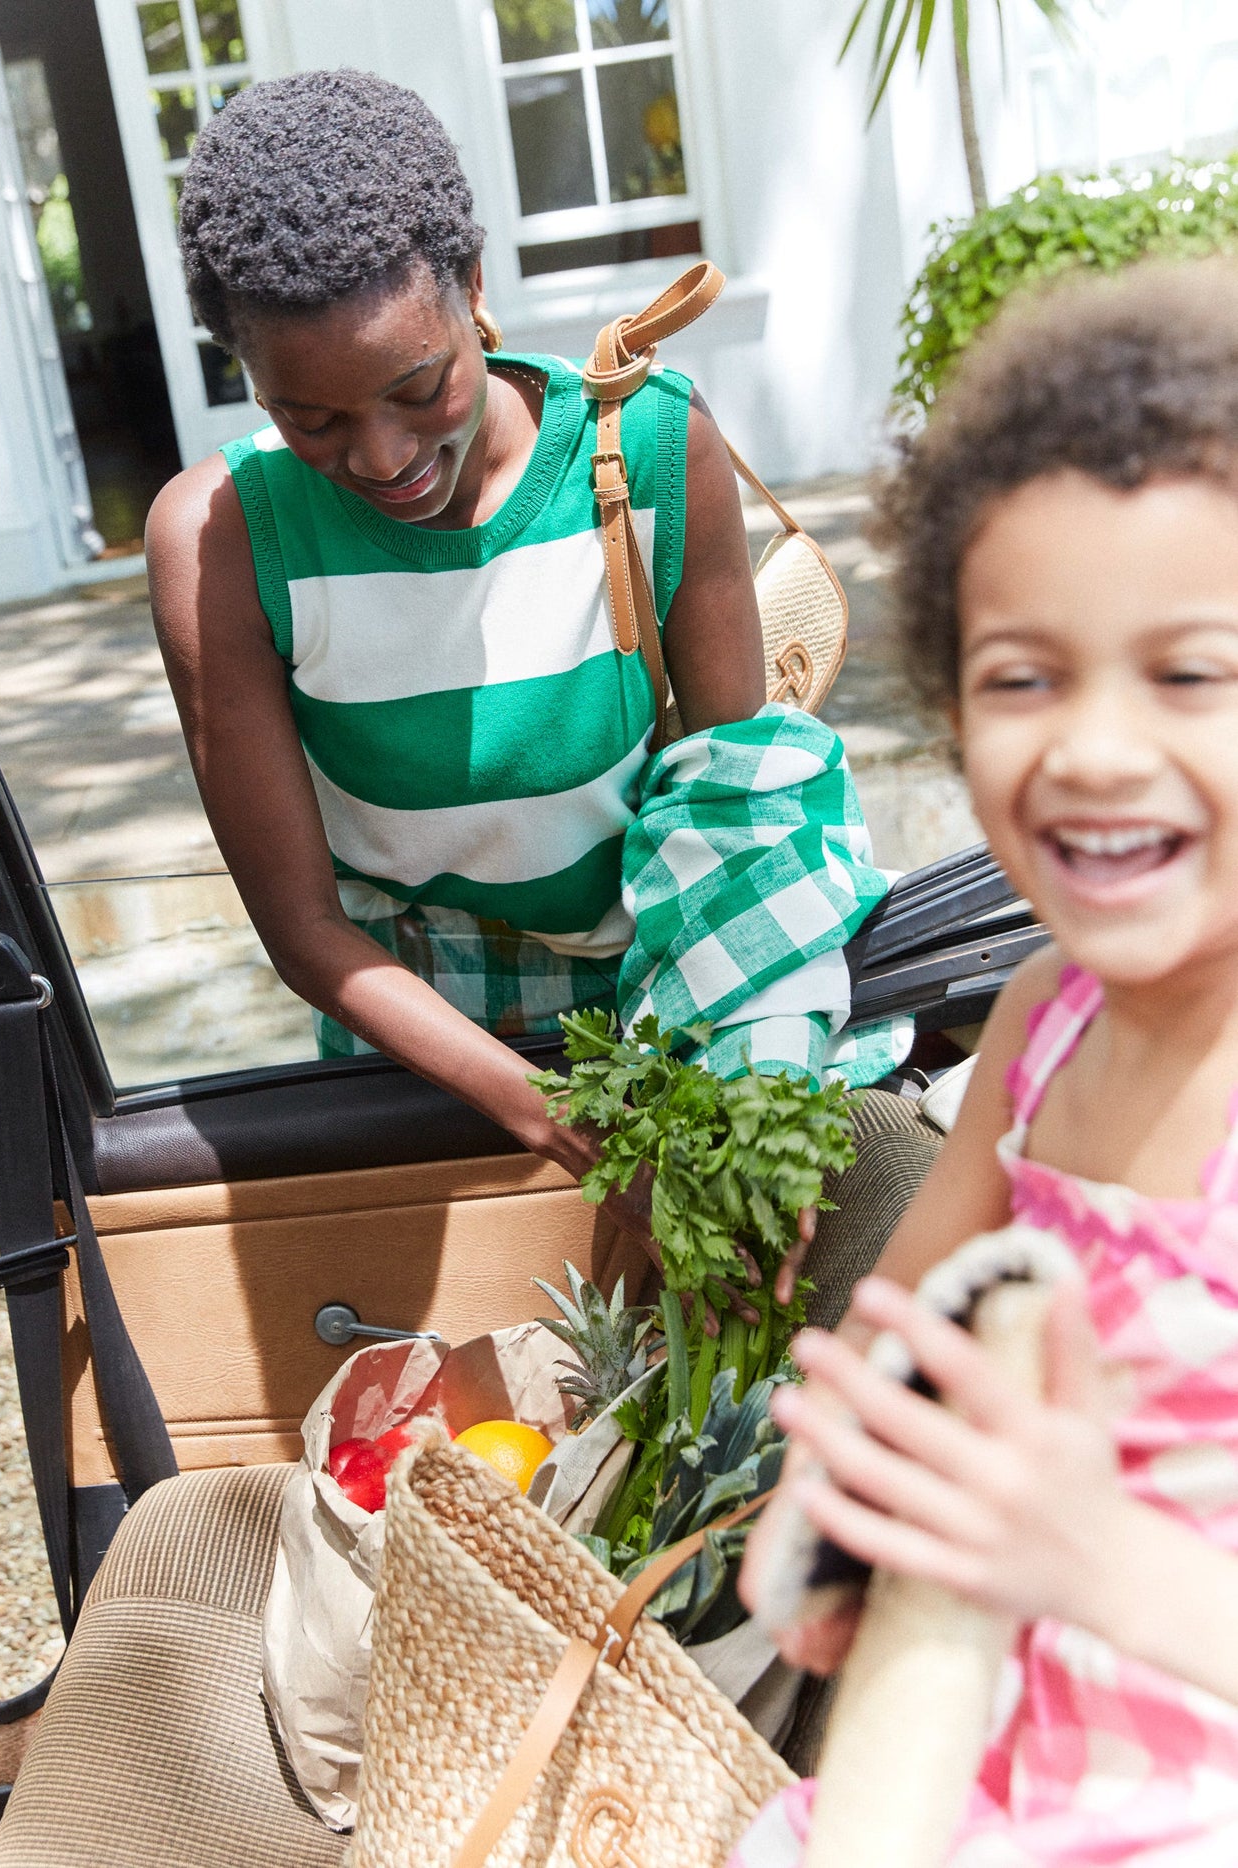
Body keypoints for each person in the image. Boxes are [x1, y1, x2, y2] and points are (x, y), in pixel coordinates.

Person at [146, 69, 921, 1255]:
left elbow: (738, 820)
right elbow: (303, 928)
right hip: (416, 1045)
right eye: (314, 420)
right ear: (246, 377)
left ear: (470, 284)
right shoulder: (220, 541)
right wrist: (550, 1116)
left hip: (667, 988)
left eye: (419, 386)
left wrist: (752, 1102)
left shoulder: (650, 447)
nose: (383, 456)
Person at [733, 257, 1238, 1862]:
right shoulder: (1039, 1025)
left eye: (1188, 673)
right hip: (999, 1779)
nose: (1091, 748)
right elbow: (896, 1344)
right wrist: (837, 1517)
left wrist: (1092, 1558)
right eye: (1024, 677)